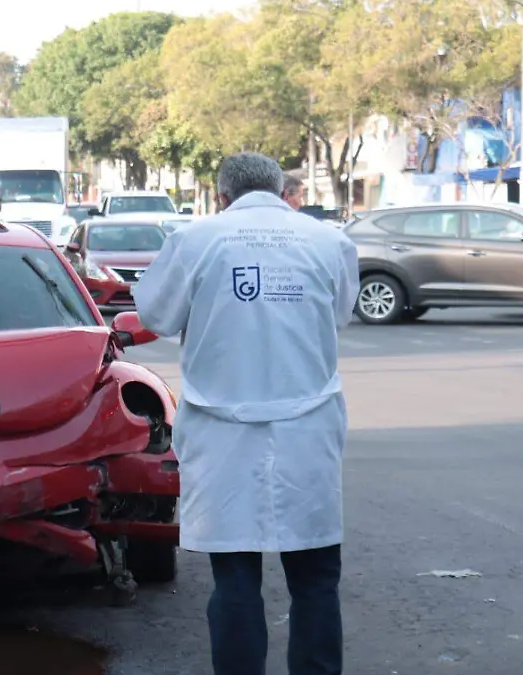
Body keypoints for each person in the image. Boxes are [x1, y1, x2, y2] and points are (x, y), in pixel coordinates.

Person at [130, 152, 360, 675]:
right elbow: (340, 313)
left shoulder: (195, 241)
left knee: (234, 580)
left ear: (221, 196)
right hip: (308, 427)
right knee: (316, 577)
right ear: (283, 191)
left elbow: (156, 314)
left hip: (221, 434)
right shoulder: (328, 241)